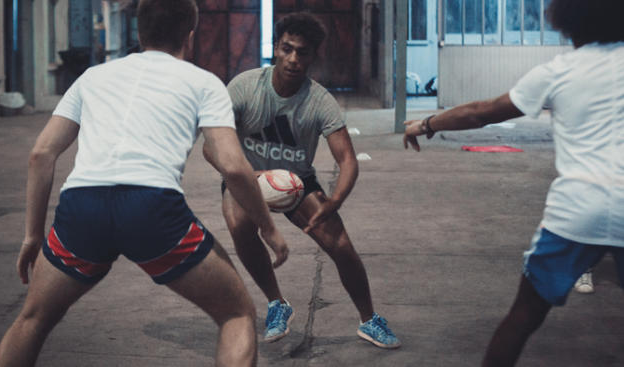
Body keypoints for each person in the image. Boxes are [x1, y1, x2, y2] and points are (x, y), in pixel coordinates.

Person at [0, 1, 289, 366]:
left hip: (82, 209)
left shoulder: (92, 77)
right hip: (151, 209)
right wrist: (269, 228)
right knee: (236, 314)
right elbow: (235, 167)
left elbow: (41, 154)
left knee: (32, 319)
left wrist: (33, 236)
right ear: (190, 36)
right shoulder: (204, 82)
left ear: (139, 32)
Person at [403, 0, 623, 365]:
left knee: (523, 317)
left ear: (566, 21)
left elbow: (480, 113)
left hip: (578, 210)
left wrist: (426, 124)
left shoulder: (559, 71)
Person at [222, 12, 400, 349]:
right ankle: (277, 303)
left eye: (302, 52)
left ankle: (369, 319)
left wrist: (335, 201)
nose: (293, 58)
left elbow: (347, 159)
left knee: (341, 244)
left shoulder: (320, 101)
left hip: (296, 181)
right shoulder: (244, 87)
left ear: (313, 56)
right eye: (287, 49)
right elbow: (214, 149)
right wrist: (244, 173)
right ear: (276, 48)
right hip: (248, 176)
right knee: (238, 223)